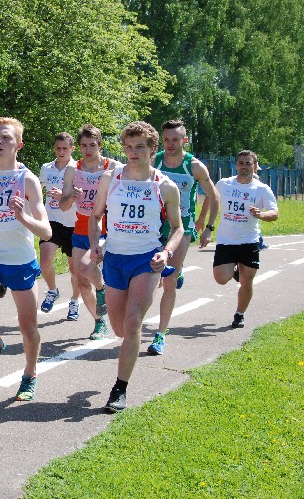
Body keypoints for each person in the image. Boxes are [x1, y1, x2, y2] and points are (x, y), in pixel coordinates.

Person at [89, 120, 183, 412]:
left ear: (153, 149)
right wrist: (97, 243)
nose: (133, 152)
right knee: (118, 329)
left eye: (140, 147)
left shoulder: (164, 186)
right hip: (115, 258)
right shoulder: (110, 178)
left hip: (146, 260)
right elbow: (95, 217)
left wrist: (166, 253)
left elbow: (178, 228)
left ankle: (120, 389)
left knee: (132, 325)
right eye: (128, 147)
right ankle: (107, 300)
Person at [0, 117, 52, 402]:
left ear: (19, 145)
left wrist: (22, 216)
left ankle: (29, 374)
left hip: (20, 260)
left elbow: (47, 230)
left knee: (28, 327)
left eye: (6, 138)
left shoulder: (27, 180)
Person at [149, 119, 219, 355]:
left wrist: (206, 225)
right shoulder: (154, 160)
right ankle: (175, 270)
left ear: (184, 141)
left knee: (167, 282)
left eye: (175, 140)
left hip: (182, 228)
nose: (170, 144)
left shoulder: (195, 166)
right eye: (166, 139)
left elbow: (214, 196)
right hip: (154, 227)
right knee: (150, 278)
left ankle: (160, 334)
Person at [59, 124, 119, 340]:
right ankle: (99, 321)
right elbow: (63, 206)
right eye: (83, 145)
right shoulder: (73, 169)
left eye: (92, 145)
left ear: (100, 145)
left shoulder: (113, 167)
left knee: (87, 266)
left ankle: (102, 289)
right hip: (81, 228)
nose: (88, 149)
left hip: (106, 229)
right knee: (81, 279)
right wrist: (71, 197)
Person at [210, 150, 278, 328]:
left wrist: (261, 214)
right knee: (220, 278)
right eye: (241, 163)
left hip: (249, 240)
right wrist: (207, 226)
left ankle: (239, 315)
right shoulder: (224, 184)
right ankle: (234, 271)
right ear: (236, 165)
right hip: (226, 240)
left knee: (247, 281)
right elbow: (212, 201)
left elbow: (274, 213)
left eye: (248, 163)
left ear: (255, 166)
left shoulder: (262, 189)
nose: (244, 166)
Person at [38, 132, 81, 320]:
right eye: (58, 148)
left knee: (74, 269)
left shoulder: (78, 169)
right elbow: (37, 190)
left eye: (65, 148)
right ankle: (53, 290)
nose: (61, 151)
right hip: (52, 221)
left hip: (73, 223)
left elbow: (81, 198)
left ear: (72, 149)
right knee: (45, 262)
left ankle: (74, 301)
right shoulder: (46, 168)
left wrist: (63, 197)